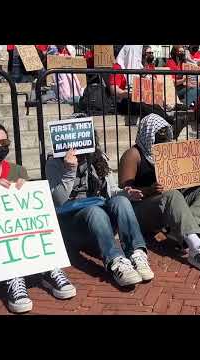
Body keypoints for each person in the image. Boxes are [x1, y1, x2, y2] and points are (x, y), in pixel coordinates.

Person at [0, 121, 76, 314]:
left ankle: (49, 269)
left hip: (20, 233)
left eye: (4, 142)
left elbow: (30, 211)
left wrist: (24, 189)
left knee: (37, 224)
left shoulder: (18, 170)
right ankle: (14, 276)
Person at [46, 115, 154, 287]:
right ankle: (116, 262)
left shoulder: (97, 158)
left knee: (121, 202)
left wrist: (127, 194)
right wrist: (69, 170)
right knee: (95, 211)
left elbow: (111, 192)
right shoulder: (54, 162)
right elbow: (57, 200)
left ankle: (136, 253)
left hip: (100, 217)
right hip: (73, 223)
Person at [118, 113, 200, 273]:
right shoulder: (133, 155)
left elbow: (183, 179)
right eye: (159, 134)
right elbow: (125, 194)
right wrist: (149, 190)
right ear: (148, 133)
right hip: (142, 210)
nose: (164, 137)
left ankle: (184, 232)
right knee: (172, 195)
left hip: (170, 204)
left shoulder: (169, 151)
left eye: (166, 132)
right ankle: (196, 249)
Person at [108, 45, 170, 124]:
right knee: (143, 105)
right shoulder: (118, 67)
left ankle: (168, 121)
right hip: (123, 101)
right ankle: (170, 121)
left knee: (154, 105)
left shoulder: (140, 66)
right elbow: (113, 90)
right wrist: (129, 94)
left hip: (141, 99)